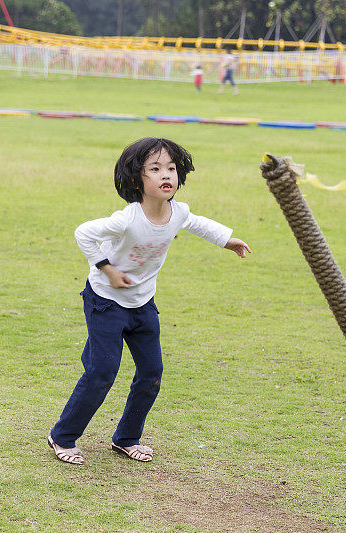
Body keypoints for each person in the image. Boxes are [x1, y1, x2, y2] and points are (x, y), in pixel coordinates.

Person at [48, 137, 251, 465]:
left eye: (170, 168)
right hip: (106, 300)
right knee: (101, 371)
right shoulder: (127, 218)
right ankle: (63, 436)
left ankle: (126, 438)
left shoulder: (177, 212)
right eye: (154, 169)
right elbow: (84, 232)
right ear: (135, 179)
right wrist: (108, 270)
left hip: (142, 302)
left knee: (152, 371)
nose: (165, 174)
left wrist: (226, 240)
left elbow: (196, 223)